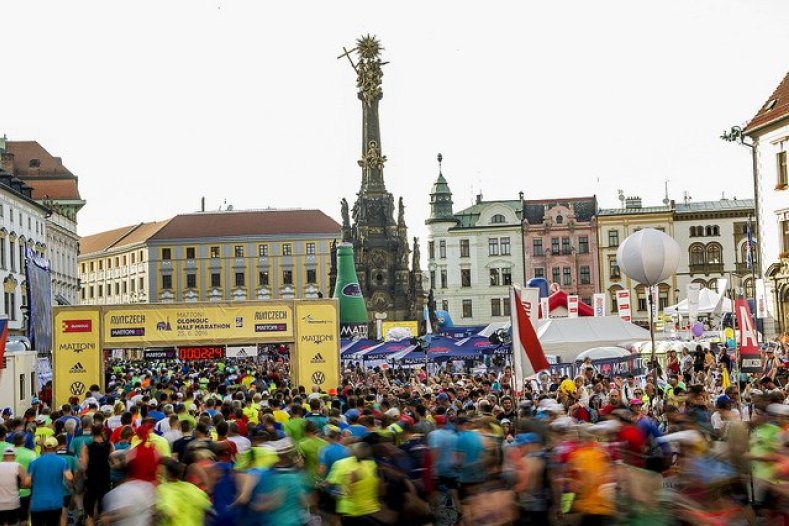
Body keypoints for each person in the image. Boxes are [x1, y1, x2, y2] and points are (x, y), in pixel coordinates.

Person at [26, 437, 73, 526]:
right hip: (55, 502)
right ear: (56, 447)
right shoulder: (62, 461)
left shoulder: (34, 462)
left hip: (37, 503)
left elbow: (26, 482)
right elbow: (69, 477)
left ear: (44, 448)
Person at [155, 458, 211, 526]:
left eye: (160, 475)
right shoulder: (192, 488)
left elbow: (167, 510)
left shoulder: (164, 489)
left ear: (167, 474)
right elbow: (207, 505)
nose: (157, 478)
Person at [80, 424, 112, 526]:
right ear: (103, 431)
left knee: (89, 511)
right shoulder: (110, 445)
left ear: (92, 433)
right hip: (105, 480)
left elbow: (83, 467)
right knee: (104, 509)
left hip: (91, 480)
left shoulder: (87, 448)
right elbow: (112, 463)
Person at [0, 447, 28, 526]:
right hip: (13, 503)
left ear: (3, 456)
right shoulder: (18, 466)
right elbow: (25, 484)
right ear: (14, 456)